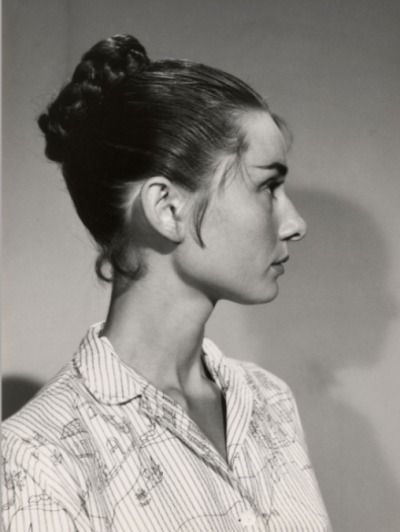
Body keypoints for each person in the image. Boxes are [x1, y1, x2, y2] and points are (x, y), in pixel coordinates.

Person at [2, 34, 331, 531]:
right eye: (268, 186)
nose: (295, 223)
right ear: (168, 209)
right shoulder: (38, 458)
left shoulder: (268, 402)